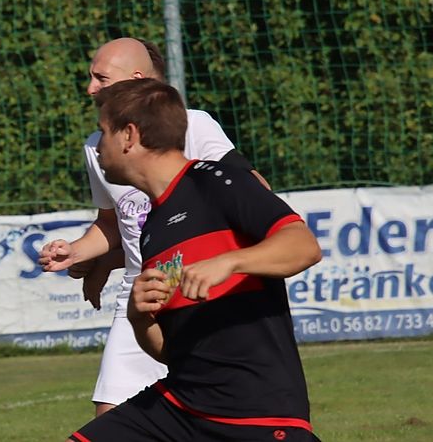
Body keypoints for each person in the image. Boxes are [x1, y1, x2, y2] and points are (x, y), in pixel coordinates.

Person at [69, 79, 322, 441]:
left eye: (103, 132)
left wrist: (230, 261)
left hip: (257, 412)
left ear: (129, 136)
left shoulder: (219, 181)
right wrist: (139, 317)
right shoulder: (153, 225)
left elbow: (303, 246)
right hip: (182, 404)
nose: (98, 146)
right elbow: (173, 352)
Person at [39, 37, 269, 417]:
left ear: (136, 79)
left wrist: (226, 261)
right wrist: (77, 252)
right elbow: (113, 223)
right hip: (141, 295)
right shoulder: (98, 147)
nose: (90, 88)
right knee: (110, 418)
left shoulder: (193, 126)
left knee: (224, 416)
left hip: (202, 291)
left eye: (101, 78)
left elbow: (255, 192)